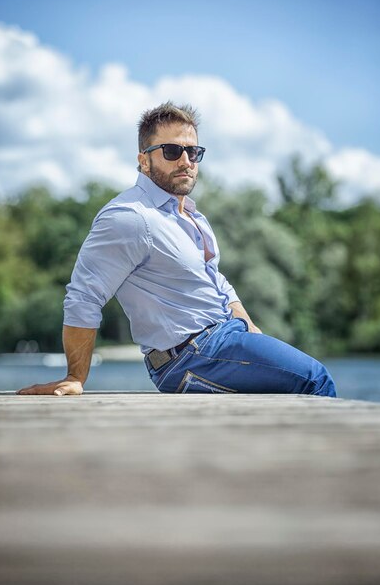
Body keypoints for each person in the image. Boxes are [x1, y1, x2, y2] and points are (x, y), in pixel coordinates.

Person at [17, 102, 336, 397]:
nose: (185, 161)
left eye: (193, 152)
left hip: (221, 343)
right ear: (144, 159)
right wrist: (75, 377)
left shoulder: (191, 216)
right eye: (171, 151)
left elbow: (216, 280)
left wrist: (250, 329)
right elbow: (84, 296)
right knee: (316, 379)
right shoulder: (130, 217)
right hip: (191, 357)